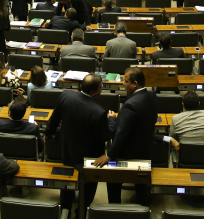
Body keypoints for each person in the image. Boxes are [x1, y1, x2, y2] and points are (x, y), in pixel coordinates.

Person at [45, 75, 111, 211]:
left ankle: (66, 208)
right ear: (94, 92)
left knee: (66, 180)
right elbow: (103, 137)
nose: (102, 89)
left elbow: (54, 119)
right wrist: (111, 120)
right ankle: (82, 209)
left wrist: (47, 133)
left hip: (67, 149)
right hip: (87, 157)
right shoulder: (99, 112)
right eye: (100, 88)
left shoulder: (65, 96)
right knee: (90, 186)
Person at [96, 67, 158, 205]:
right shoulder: (151, 95)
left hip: (128, 153)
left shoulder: (130, 105)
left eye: (125, 81)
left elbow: (120, 134)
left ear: (135, 83)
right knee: (141, 183)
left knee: (113, 181)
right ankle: (143, 207)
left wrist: (109, 155)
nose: (123, 83)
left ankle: (115, 209)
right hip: (146, 150)